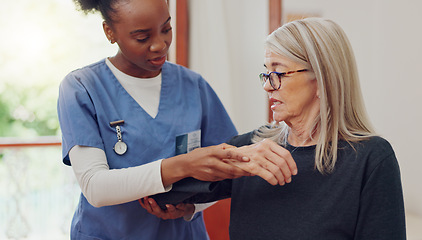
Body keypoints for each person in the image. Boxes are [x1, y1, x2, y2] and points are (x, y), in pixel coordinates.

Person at [142, 17, 406, 239]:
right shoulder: (253, 150)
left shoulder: (370, 159)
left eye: (279, 73)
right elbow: (162, 195)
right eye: (266, 73)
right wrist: (234, 162)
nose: (268, 86)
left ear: (322, 78)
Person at [57, 0, 297, 239]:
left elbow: (228, 172)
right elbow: (95, 187)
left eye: (166, 29)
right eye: (142, 37)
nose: (160, 45)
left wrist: (192, 207)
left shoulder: (193, 86)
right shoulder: (82, 88)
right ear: (109, 32)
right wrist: (184, 165)